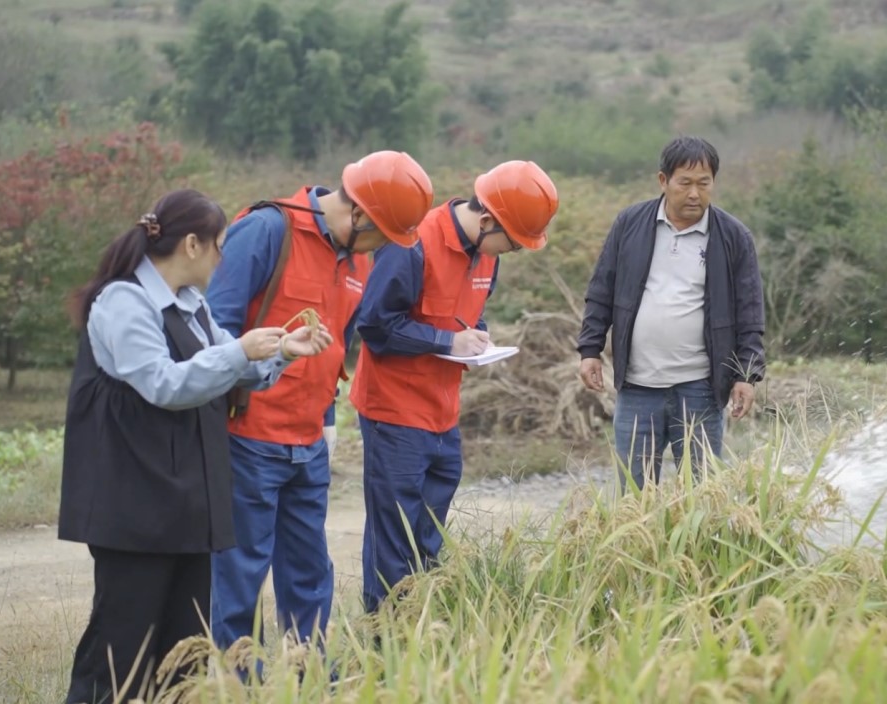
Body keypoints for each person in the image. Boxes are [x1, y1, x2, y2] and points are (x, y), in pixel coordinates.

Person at [59, 189, 334, 704]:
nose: (222, 259)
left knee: (183, 652)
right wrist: (237, 350)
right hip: (133, 506)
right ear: (191, 244)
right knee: (120, 647)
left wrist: (281, 355)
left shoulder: (193, 306)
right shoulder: (123, 301)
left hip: (185, 502)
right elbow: (164, 383)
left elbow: (223, 371)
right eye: (219, 246)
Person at [204, 151, 434, 652]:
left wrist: (327, 421)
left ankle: (311, 677)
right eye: (382, 236)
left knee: (310, 574)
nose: (383, 250)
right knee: (240, 576)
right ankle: (236, 684)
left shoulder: (358, 257)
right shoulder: (269, 230)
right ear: (358, 215)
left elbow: (335, 349)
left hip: (307, 444)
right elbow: (213, 329)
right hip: (248, 438)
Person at [350, 160, 559, 613]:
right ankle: (383, 645)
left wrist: (476, 338)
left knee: (428, 537)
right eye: (513, 243)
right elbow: (374, 326)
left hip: (444, 413)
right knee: (395, 539)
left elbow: (470, 313)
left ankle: (421, 630)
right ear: (486, 220)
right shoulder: (413, 243)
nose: (512, 253)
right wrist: (448, 340)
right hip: (394, 413)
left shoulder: (487, 253)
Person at [576, 136, 766, 491]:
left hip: (700, 390)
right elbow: (601, 290)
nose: (694, 193)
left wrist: (747, 374)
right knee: (634, 495)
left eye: (704, 183)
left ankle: (697, 548)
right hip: (637, 388)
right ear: (663, 181)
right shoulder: (630, 224)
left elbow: (750, 311)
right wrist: (590, 350)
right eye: (685, 183)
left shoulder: (733, 237)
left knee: (703, 495)